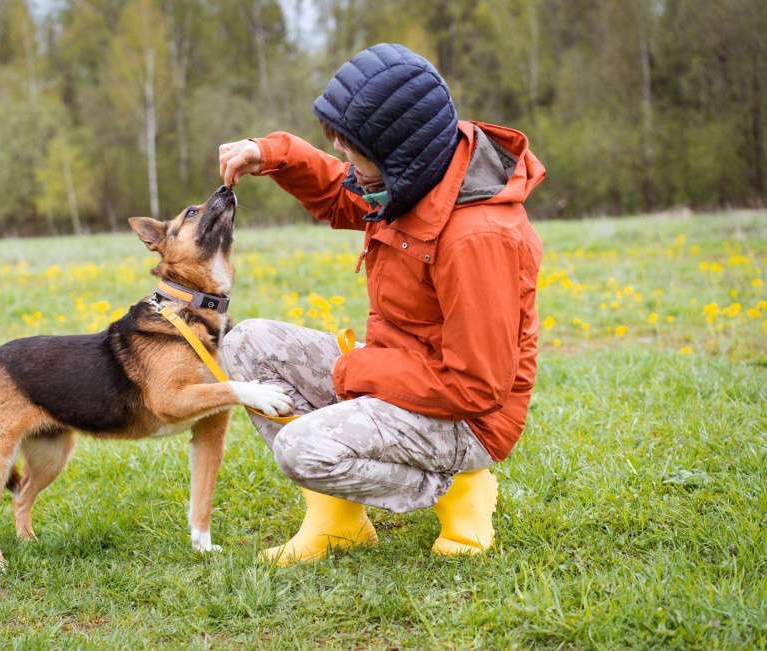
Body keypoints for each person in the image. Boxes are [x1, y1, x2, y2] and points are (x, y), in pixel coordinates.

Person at [217, 43, 545, 565]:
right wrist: (274, 153)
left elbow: (476, 387)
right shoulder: (414, 181)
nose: (349, 165)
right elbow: (339, 196)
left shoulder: (478, 237)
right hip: (402, 375)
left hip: (468, 421)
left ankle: (459, 488)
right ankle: (339, 523)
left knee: (301, 447)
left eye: (356, 154)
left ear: (399, 153)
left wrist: (359, 371)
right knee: (247, 347)